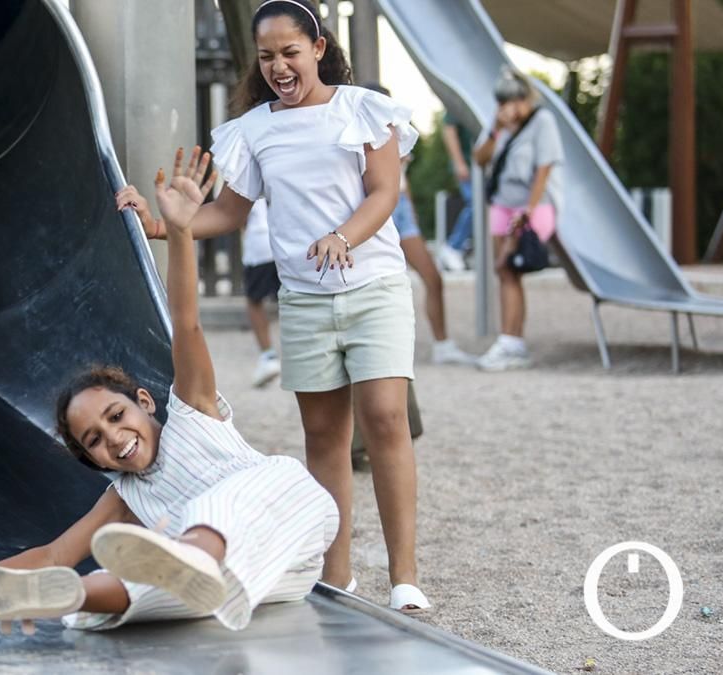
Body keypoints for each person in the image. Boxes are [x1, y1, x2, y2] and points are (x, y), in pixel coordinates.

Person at [0, 156, 339, 634]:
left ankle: (192, 556)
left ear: (144, 402)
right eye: (93, 439)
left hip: (291, 532)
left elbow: (186, 323)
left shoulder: (194, 413)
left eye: (115, 415)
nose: (112, 436)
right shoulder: (125, 497)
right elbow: (54, 554)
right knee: (156, 584)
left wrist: (180, 230)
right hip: (250, 584)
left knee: (280, 473)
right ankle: (67, 595)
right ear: (91, 459)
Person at [116, 0, 429, 613]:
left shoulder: (363, 109)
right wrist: (163, 224)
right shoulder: (253, 130)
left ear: (318, 48)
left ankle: (405, 577)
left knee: (386, 418)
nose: (279, 67)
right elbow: (229, 213)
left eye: (290, 52)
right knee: (323, 435)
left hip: (375, 288)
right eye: (266, 57)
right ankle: (337, 577)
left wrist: (343, 236)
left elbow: (384, 192)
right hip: (305, 301)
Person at [363, 82, 474, 366]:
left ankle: (442, 344)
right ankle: (375, 353)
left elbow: (402, 180)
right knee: (377, 285)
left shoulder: (395, 131)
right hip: (378, 208)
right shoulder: (361, 136)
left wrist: (411, 213)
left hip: (401, 206)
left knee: (432, 277)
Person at [473, 68, 564, 371]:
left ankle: (510, 342)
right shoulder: (499, 126)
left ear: (525, 98)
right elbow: (480, 158)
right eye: (503, 102)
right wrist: (496, 129)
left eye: (513, 101)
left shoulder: (542, 121)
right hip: (502, 204)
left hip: (532, 206)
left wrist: (529, 209)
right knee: (506, 273)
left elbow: (544, 168)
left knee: (507, 267)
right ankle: (513, 342)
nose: (509, 107)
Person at [242, 200, 283, 386]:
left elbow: (237, 215)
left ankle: (268, 356)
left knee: (254, 301)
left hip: (259, 241)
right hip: (283, 239)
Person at [437, 111, 476, 272]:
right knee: (475, 204)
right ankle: (453, 246)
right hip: (468, 164)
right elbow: (449, 130)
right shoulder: (457, 108)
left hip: (483, 165)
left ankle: (464, 244)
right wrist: (459, 163)